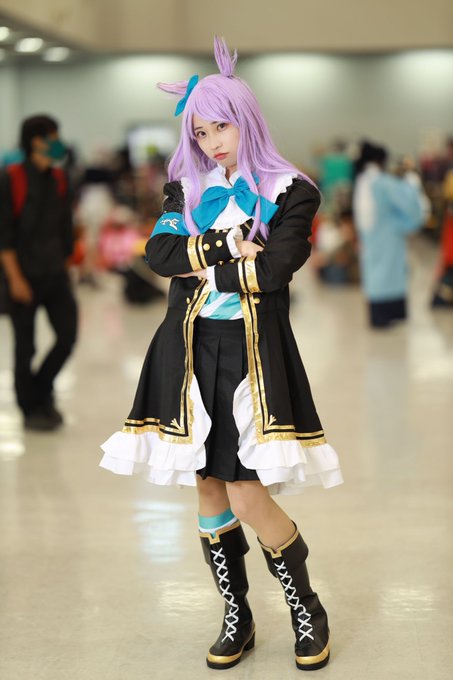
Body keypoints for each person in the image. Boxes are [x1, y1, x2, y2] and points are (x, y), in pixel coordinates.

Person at [100, 38, 343, 671]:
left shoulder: (292, 191)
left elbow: (278, 269)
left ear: (247, 120)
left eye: (221, 128)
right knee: (207, 489)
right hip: (184, 350)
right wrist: (227, 249)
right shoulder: (184, 186)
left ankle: (308, 609)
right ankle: (238, 617)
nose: (211, 143)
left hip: (251, 355)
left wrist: (203, 264)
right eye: (200, 132)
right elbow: (159, 257)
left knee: (246, 493)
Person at [0, 114, 77, 430]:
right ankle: (30, 408)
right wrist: (15, 279)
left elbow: (65, 227)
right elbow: (4, 235)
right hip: (23, 275)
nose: (58, 143)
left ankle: (41, 391)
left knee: (67, 335)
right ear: (36, 140)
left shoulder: (60, 178)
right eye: (53, 137)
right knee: (26, 347)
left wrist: (68, 263)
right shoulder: (11, 178)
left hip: (55, 273)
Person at [353, 141, 425, 328]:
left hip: (371, 239)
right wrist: (412, 183)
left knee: (375, 276)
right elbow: (407, 202)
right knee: (389, 276)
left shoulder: (362, 181)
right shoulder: (382, 183)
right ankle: (389, 316)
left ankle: (378, 316)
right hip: (388, 237)